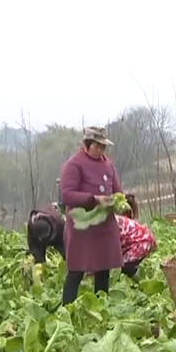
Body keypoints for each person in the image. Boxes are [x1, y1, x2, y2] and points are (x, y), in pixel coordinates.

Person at [59, 126, 124, 305]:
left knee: (103, 269)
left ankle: (100, 308)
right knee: (77, 270)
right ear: (87, 144)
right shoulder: (74, 164)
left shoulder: (108, 164)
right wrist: (94, 199)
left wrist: (121, 201)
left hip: (104, 226)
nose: (101, 150)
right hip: (83, 226)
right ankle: (67, 309)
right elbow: (67, 195)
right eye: (98, 146)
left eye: (104, 147)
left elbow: (117, 190)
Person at [27, 204, 156, 279]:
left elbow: (99, 256)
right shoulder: (33, 231)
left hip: (139, 241)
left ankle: (141, 280)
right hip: (120, 241)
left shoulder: (78, 228)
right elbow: (38, 255)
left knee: (121, 268)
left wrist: (87, 273)